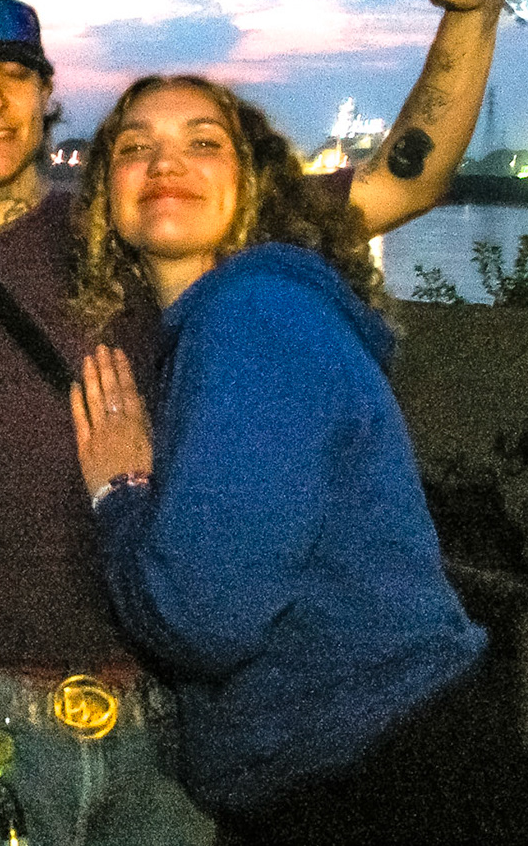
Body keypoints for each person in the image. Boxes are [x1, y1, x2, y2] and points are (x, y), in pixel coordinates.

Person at [0, 0, 512, 846]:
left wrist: (470, 9)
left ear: (47, 95)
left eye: (12, 72)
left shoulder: (144, 232)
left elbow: (401, 178)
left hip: (156, 737)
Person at [66, 75, 491, 844]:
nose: (166, 162)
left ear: (254, 186)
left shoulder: (251, 313)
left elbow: (202, 618)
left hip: (372, 769)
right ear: (105, 199)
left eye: (203, 142)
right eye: (135, 148)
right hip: (356, 751)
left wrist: (120, 492)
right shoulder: (226, 324)